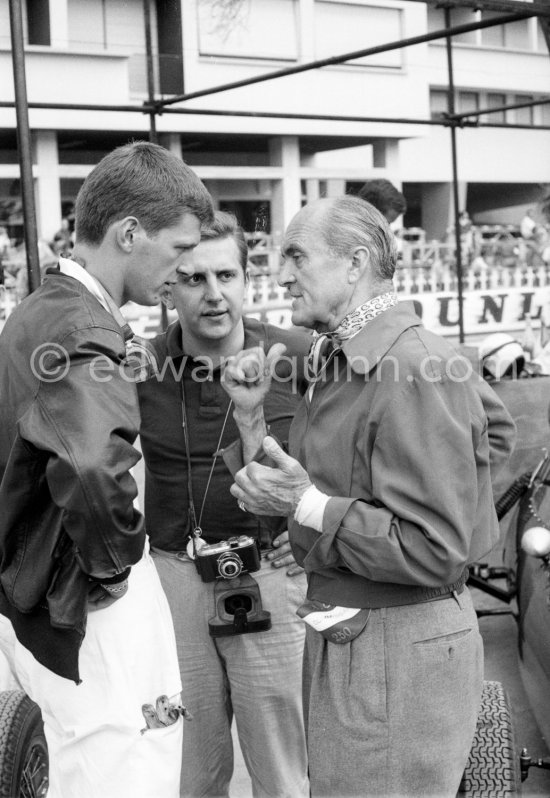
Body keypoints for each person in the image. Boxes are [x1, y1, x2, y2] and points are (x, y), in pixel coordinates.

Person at [221, 195, 516, 797]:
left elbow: (434, 548)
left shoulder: (410, 365)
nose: (280, 275)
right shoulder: (358, 357)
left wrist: (307, 504)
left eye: (296, 256)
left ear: (355, 264)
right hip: (367, 638)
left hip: (395, 645)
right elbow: (494, 432)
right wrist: (253, 426)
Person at [0, 141, 214, 798]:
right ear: (128, 233)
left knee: (90, 769)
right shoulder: (82, 325)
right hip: (88, 602)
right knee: (130, 771)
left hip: (46, 595)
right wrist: (116, 569)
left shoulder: (42, 309)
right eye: (179, 251)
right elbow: (93, 468)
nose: (183, 271)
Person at [137, 211, 310, 798]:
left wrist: (316, 530)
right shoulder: (137, 367)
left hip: (273, 577)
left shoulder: (302, 356)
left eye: (227, 276)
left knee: (283, 770)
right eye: (193, 279)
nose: (214, 295)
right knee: (187, 770)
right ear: (167, 287)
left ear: (246, 278)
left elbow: (361, 453)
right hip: (174, 584)